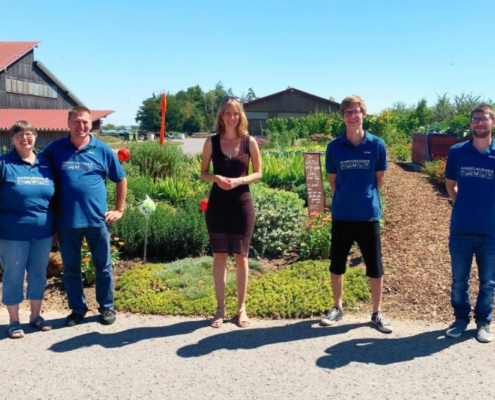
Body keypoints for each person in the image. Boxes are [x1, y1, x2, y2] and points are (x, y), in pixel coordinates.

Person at [42, 106, 127, 326]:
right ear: (68, 123)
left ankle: (106, 308)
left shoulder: (102, 149)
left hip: (97, 220)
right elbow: (37, 169)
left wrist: (119, 210)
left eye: (85, 122)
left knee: (103, 267)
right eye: (77, 122)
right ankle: (77, 309)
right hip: (66, 221)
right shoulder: (55, 149)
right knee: (70, 269)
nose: (81, 126)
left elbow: (120, 178)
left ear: (91, 124)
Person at [321, 95, 393, 333]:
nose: (352, 116)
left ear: (363, 114)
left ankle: (376, 312)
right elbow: (333, 182)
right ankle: (337, 308)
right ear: (343, 117)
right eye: (347, 113)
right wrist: (347, 198)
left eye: (356, 111)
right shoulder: (333, 147)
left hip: (368, 215)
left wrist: (362, 197)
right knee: (337, 264)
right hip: (342, 215)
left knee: (374, 265)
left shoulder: (377, 145)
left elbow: (378, 180)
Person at [200, 96, 262, 328]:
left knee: (241, 258)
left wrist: (239, 181)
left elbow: (258, 172)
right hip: (217, 207)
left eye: (235, 113)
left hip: (241, 205)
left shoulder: (249, 141)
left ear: (240, 116)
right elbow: (203, 172)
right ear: (221, 116)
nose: (231, 117)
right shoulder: (211, 142)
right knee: (219, 257)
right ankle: (219, 309)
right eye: (227, 112)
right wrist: (215, 178)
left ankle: (241, 309)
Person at [444, 104, 495, 343]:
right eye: (475, 119)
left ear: (492, 122)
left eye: (484, 119)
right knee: (458, 280)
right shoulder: (457, 152)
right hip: (461, 228)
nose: (479, 123)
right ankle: (461, 319)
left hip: (491, 230)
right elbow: (449, 184)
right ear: (470, 123)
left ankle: (483, 321)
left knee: (488, 281)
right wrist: (461, 204)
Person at [0, 121, 55, 338]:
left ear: (36, 137)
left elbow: (56, 197)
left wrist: (56, 227)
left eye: (29, 134)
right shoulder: (4, 163)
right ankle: (13, 321)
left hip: (43, 232)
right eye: (19, 135)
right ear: (12, 139)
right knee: (13, 274)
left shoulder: (45, 163)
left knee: (38, 274)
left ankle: (35, 316)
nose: (25, 138)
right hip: (12, 233)